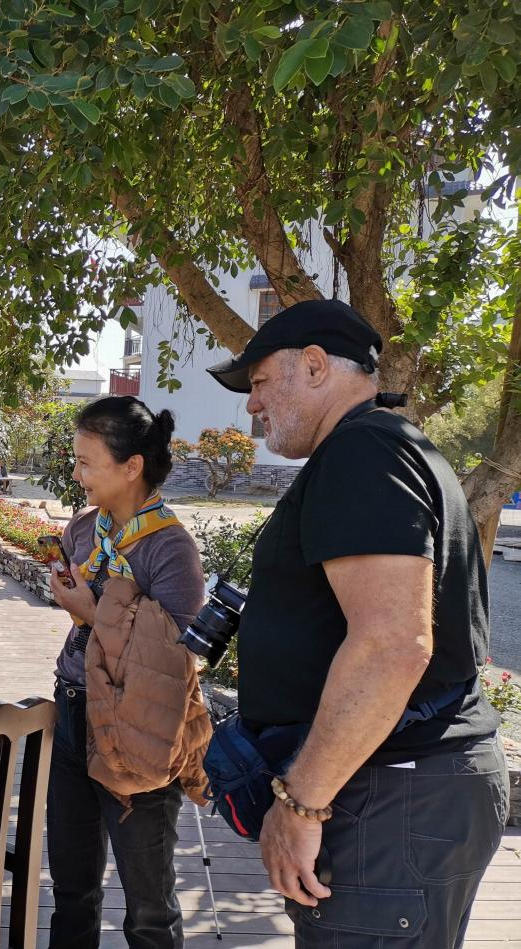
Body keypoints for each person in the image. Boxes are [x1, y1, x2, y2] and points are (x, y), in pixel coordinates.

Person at [205, 299, 506, 947]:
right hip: (399, 790)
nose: (251, 406)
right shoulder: (380, 446)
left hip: (387, 795)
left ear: (314, 366)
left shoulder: (362, 450)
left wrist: (302, 802)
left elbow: (392, 644)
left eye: (258, 382)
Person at [46, 396, 211, 949]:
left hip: (140, 725)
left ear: (131, 466)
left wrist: (95, 613)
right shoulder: (83, 531)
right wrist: (77, 608)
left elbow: (176, 653)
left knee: (148, 907)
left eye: (86, 462)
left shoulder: (170, 549)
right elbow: (87, 628)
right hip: (72, 710)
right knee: (71, 889)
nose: (76, 474)